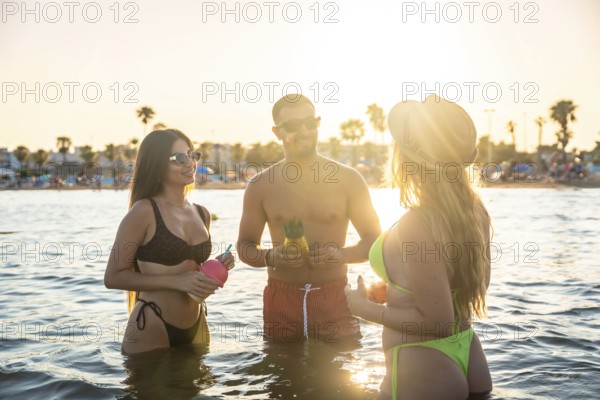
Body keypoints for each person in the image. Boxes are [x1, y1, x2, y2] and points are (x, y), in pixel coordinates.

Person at [346, 95, 493, 399]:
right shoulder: (476, 210)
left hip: (422, 360)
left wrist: (364, 309)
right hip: (469, 350)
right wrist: (401, 289)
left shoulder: (417, 222)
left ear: (410, 156)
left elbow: (435, 324)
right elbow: (465, 289)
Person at [237, 94, 381, 343]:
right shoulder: (260, 185)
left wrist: (341, 255)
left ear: (318, 122)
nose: (303, 131)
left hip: (335, 297)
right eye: (292, 126)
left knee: (341, 377)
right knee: (281, 375)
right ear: (277, 132)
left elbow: (376, 242)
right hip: (281, 300)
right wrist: (271, 256)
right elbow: (244, 246)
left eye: (309, 122)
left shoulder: (349, 180)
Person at [104, 129, 234, 354]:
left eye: (193, 155)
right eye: (180, 158)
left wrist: (216, 266)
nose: (190, 163)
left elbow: (190, 268)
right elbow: (113, 277)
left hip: (198, 323)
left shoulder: (201, 213)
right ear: (157, 166)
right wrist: (177, 282)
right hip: (153, 322)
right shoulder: (143, 211)